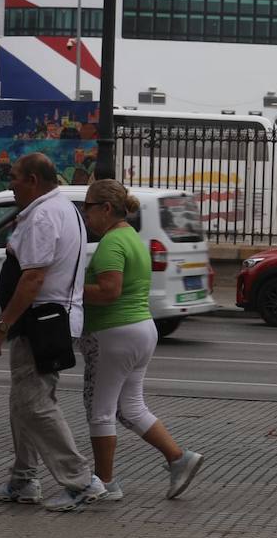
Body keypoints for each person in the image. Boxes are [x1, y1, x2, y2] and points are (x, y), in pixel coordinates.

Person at [0, 153, 107, 512]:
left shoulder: (43, 215)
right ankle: (24, 479)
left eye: (16, 177)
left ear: (34, 180)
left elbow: (33, 277)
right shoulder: (65, 209)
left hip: (43, 321)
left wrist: (2, 324)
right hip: (48, 320)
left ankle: (81, 480)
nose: (11, 183)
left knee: (35, 404)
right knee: (23, 401)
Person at [78, 179, 205, 500]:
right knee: (130, 407)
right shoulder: (133, 238)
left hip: (114, 334)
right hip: (141, 329)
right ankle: (179, 459)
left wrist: (70, 290)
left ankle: (104, 484)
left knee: (101, 411)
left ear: (106, 209)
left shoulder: (111, 243)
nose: (84, 213)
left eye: (88, 207)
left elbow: (109, 291)